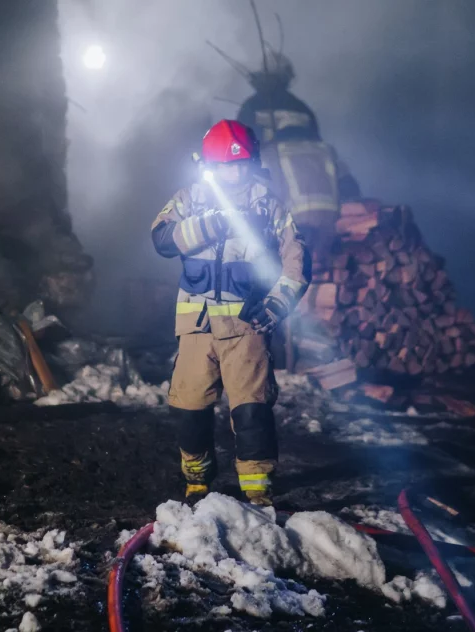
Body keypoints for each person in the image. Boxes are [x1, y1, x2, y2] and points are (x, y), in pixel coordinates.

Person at [150, 119, 310, 506]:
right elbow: (162, 239)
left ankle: (258, 494)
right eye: (224, 165)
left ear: (252, 162)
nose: (233, 172)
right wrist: (213, 222)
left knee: (252, 411)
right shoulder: (190, 198)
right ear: (208, 165)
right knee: (188, 408)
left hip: (247, 326)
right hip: (197, 325)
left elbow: (297, 265)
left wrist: (276, 305)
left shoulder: (269, 206)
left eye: (240, 164)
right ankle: (197, 480)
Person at [237, 51, 360, 252]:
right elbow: (344, 180)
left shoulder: (252, 108)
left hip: (282, 206)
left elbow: (243, 150)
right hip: (327, 216)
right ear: (287, 76)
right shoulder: (303, 110)